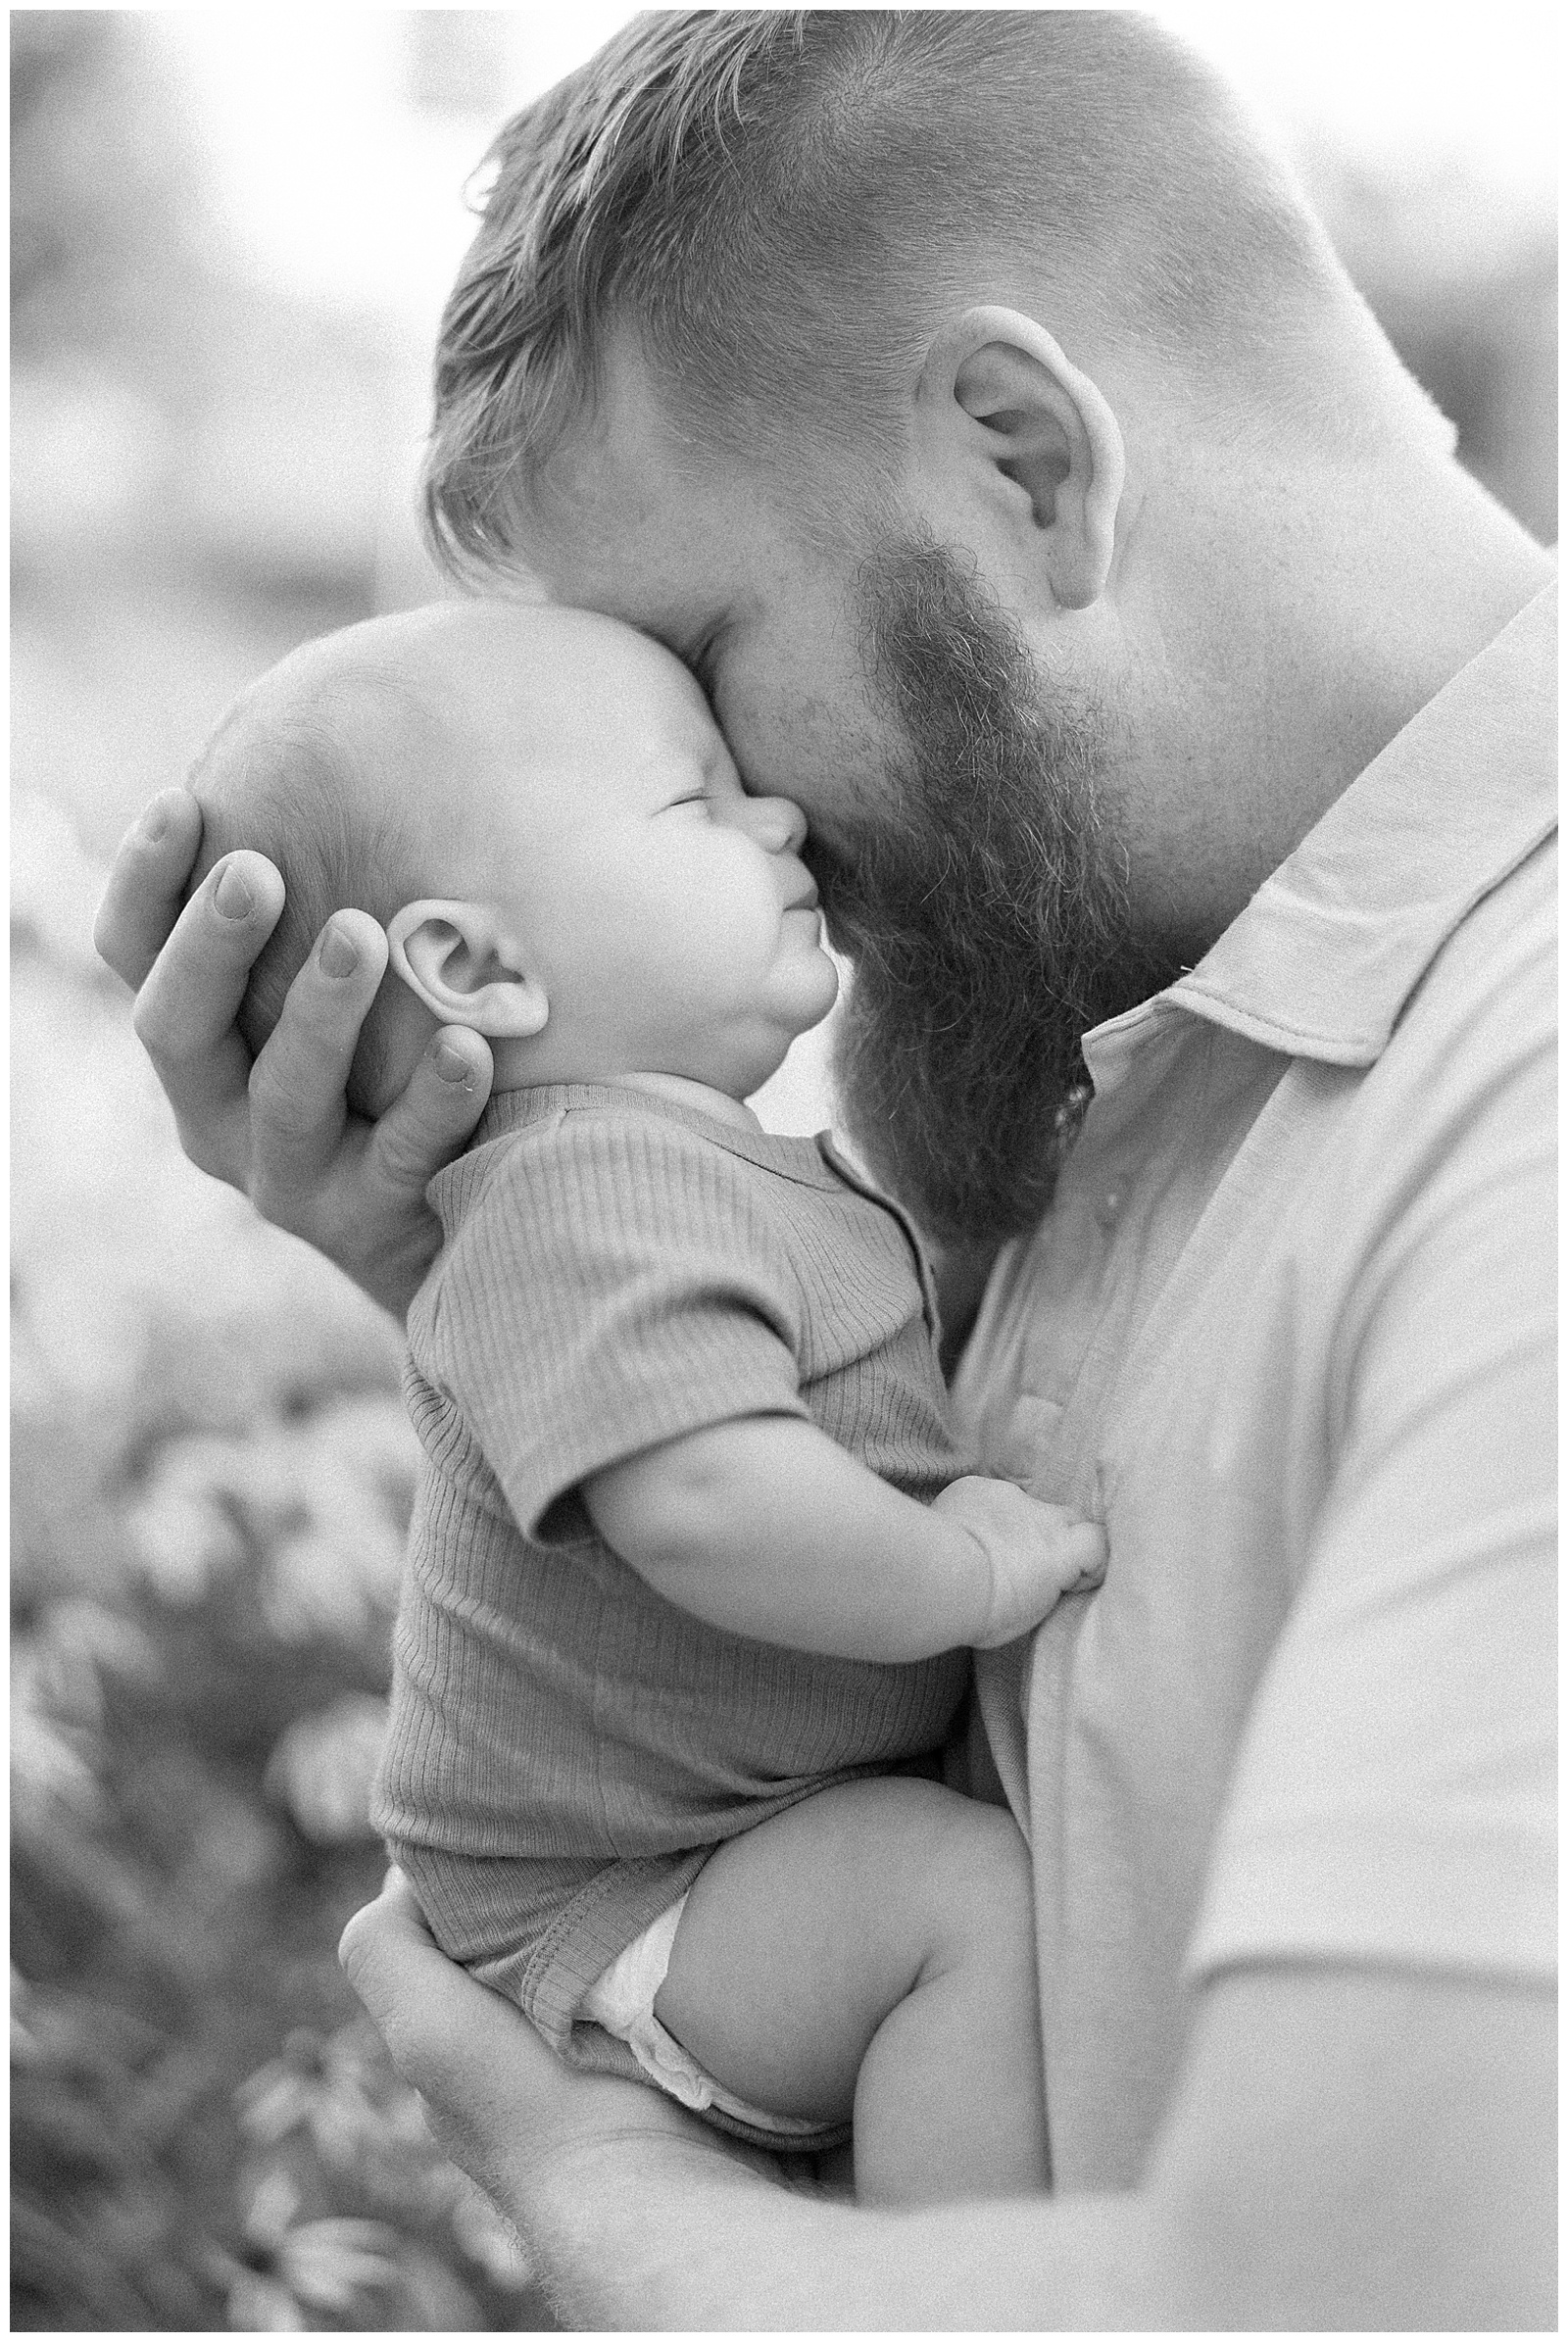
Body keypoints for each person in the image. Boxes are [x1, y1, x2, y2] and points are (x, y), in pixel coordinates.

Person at [95, 11, 1555, 2329]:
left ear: (1020, 459)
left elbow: (1353, 2303)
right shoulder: (1110, 1054)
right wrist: (495, 1288)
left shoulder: (1518, 1111)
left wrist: (587, 2180)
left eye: (693, 663)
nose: (731, 806)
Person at [185, 596, 1107, 2207]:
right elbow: (702, 1497)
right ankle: (949, 2296)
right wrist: (965, 1572)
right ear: (479, 965)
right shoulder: (586, 1186)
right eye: (699, 795)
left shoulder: (668, 1169)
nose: (779, 812)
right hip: (626, 1884)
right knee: (961, 1910)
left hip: (714, 1832)